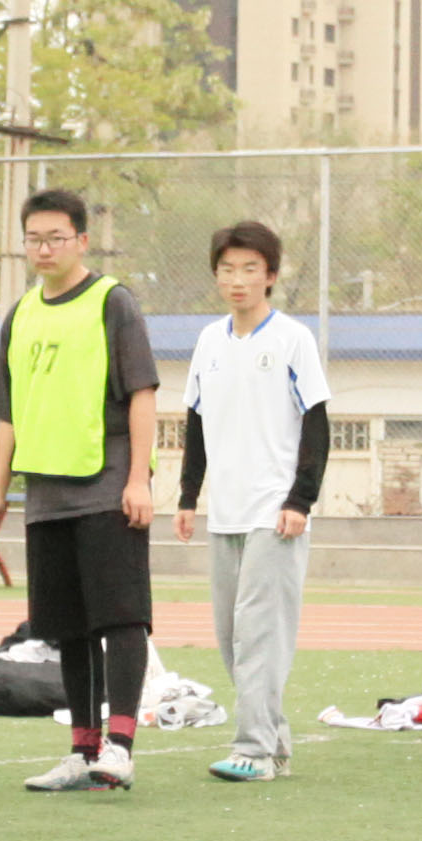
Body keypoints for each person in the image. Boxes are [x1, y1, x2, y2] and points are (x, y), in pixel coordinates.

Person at [0, 188, 160, 791]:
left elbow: (142, 393)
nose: (45, 248)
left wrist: (138, 479)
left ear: (82, 240)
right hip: (45, 496)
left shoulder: (113, 302)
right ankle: (82, 751)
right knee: (69, 629)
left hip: (106, 488)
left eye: (57, 237)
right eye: (34, 238)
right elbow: (7, 412)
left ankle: (121, 747)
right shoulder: (21, 313)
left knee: (121, 620)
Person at [173, 218, 330, 782]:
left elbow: (317, 424)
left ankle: (255, 751)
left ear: (270, 276)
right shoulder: (209, 342)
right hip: (226, 513)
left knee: (259, 632)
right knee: (230, 638)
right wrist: (189, 496)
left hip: (274, 513)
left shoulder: (293, 340)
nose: (237, 280)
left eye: (249, 270)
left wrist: (300, 500)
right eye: (227, 270)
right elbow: (195, 422)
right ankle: (276, 742)